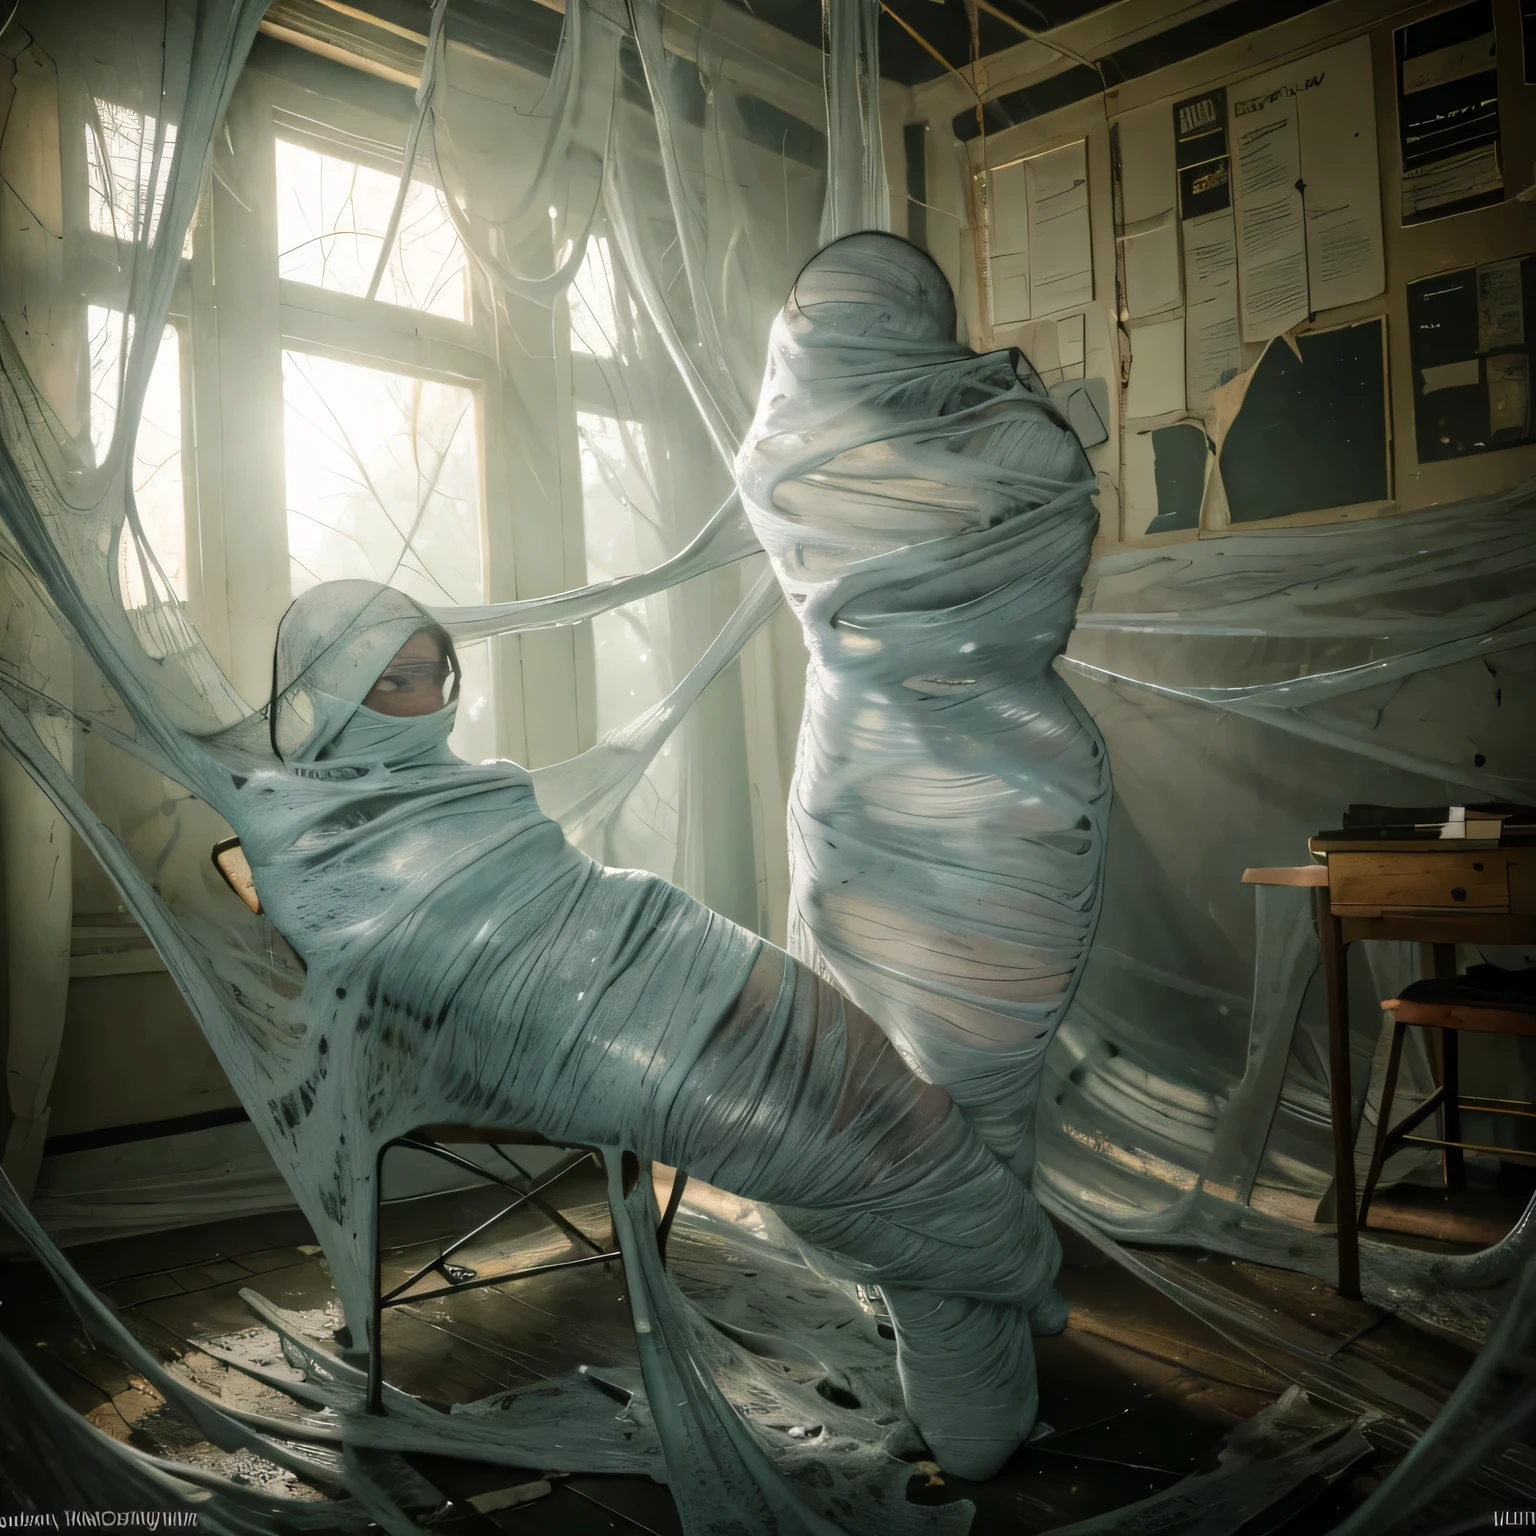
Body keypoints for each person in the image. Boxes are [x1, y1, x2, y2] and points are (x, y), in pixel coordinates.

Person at [230, 578, 1064, 1482]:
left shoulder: (479, 789)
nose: (426, 699)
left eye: (435, 673)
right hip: (578, 1043)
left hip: (672, 945)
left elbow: (557, 897)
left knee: (904, 1115)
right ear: (325, 687)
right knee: (840, 1171)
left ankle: (990, 1336)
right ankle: (1016, 1300)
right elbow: (404, 969)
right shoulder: (294, 828)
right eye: (394, 681)